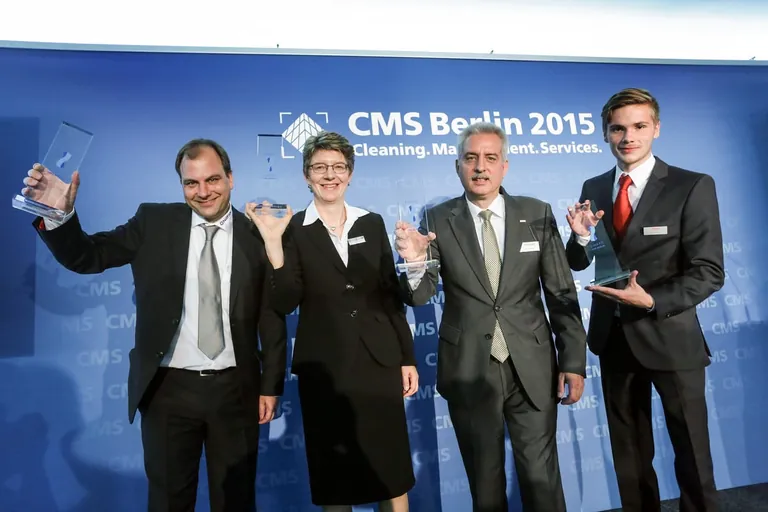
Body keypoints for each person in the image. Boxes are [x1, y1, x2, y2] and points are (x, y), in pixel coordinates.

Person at [21, 139, 287, 512]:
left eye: (212, 179)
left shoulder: (258, 233)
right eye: (191, 183)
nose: (203, 192)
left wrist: (271, 384)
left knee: (236, 502)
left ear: (230, 178)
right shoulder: (153, 222)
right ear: (181, 185)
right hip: (167, 391)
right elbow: (88, 256)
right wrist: (58, 214)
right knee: (168, 503)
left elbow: (270, 315)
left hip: (235, 390)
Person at [394, 121, 587, 512]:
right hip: (469, 367)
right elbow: (420, 296)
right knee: (485, 484)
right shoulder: (437, 219)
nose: (480, 167)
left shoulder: (536, 212)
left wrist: (573, 361)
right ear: (458, 166)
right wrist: (414, 262)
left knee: (542, 479)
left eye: (490, 158)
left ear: (504, 166)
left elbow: (561, 292)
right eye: (471, 158)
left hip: (532, 366)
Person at [565, 87, 724, 512]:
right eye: (618, 129)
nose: (628, 137)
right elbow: (579, 261)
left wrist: (651, 300)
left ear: (656, 129)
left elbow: (709, 271)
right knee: (630, 459)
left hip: (671, 337)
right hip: (614, 339)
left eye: (638, 126)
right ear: (605, 134)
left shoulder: (691, 185)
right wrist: (579, 237)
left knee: (693, 455)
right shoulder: (594, 186)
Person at [246, 131, 418, 512]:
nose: (330, 175)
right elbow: (285, 301)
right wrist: (273, 245)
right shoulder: (291, 228)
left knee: (391, 471)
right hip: (325, 370)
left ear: (350, 174)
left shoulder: (371, 223)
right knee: (335, 480)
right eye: (320, 167)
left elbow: (390, 296)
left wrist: (407, 357)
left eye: (338, 167)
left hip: (379, 363)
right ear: (306, 175)